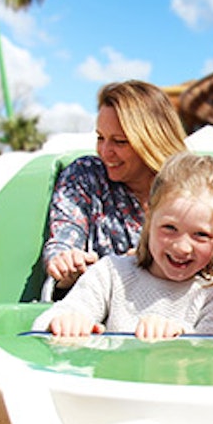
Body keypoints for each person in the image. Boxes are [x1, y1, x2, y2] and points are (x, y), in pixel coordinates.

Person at [33, 152, 213, 339]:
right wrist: (66, 321)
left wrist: (180, 338)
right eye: (169, 228)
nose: (182, 247)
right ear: (149, 219)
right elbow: (48, 319)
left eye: (201, 235)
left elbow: (212, 362)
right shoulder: (111, 274)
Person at [43, 80, 187, 292]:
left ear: (152, 141)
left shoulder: (191, 186)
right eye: (100, 138)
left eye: (119, 141)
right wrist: (66, 262)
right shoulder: (85, 176)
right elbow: (64, 238)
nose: (105, 151)